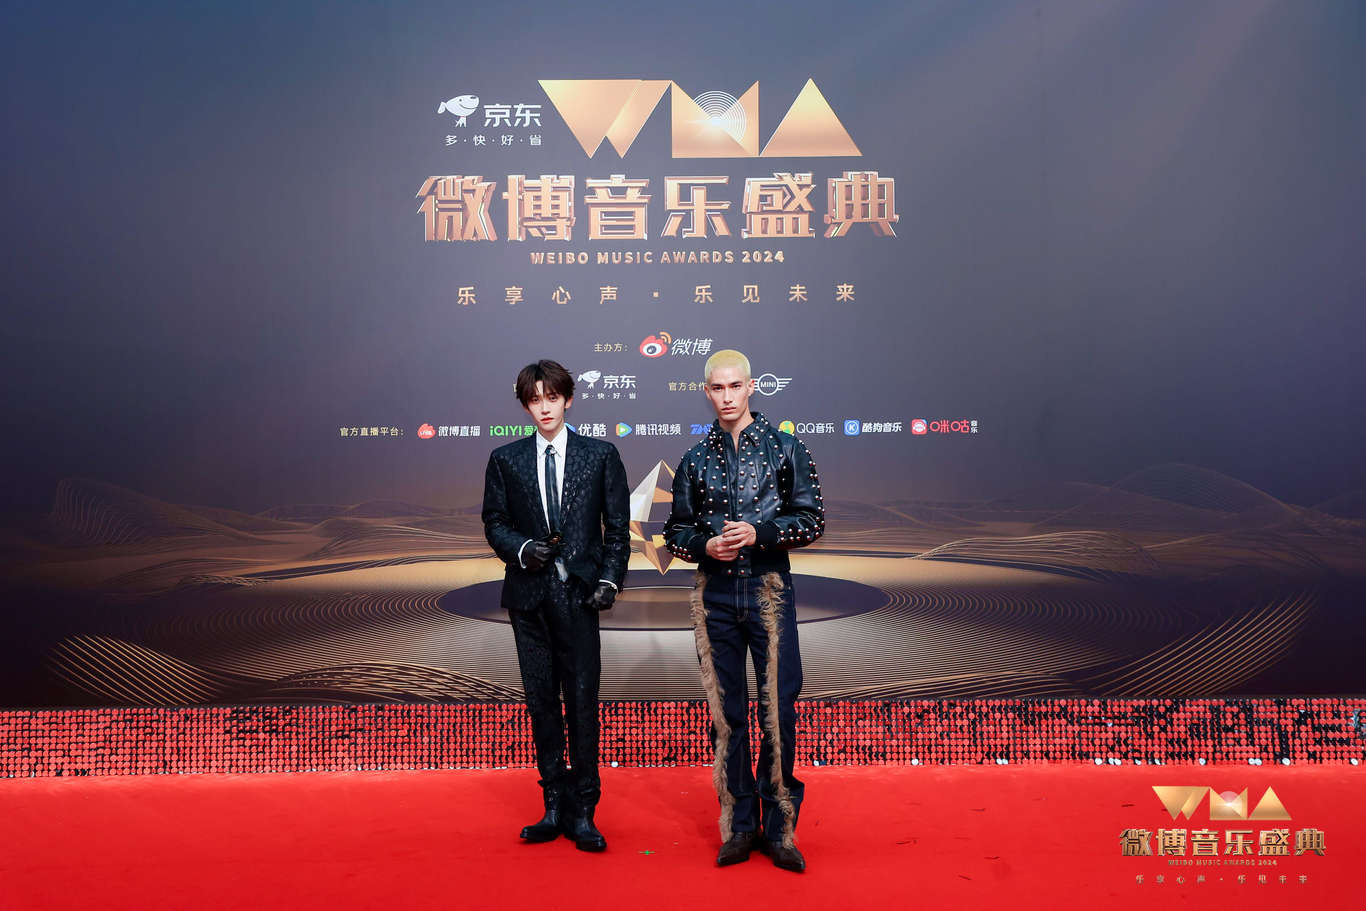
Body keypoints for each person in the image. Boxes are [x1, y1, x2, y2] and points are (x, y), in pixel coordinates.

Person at [663, 349, 825, 872]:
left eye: (736, 386)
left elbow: (812, 519)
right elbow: (675, 531)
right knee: (726, 716)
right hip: (713, 595)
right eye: (718, 388)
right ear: (706, 392)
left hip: (768, 590)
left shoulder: (786, 448)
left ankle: (780, 829)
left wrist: (762, 533)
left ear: (751, 387)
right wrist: (704, 546)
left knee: (778, 710)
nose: (727, 397)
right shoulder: (694, 458)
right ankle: (737, 826)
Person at [481, 359, 630, 851]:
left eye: (551, 397)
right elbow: (495, 522)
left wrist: (608, 581)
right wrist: (524, 549)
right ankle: (552, 805)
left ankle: (584, 810)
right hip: (529, 600)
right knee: (541, 702)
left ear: (568, 399)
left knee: (582, 703)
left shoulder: (601, 455)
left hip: (580, 597)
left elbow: (617, 530)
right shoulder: (505, 459)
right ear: (525, 405)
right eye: (534, 400)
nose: (544, 408)